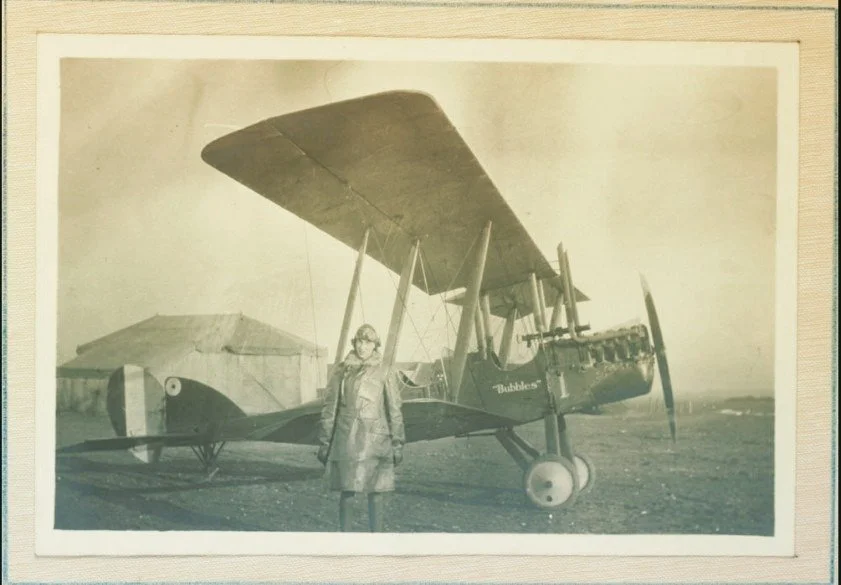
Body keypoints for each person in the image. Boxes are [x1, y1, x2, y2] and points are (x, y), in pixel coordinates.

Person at [317, 324, 405, 532]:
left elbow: (395, 410)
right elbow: (330, 409)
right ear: (354, 343)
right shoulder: (341, 371)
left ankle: (376, 543)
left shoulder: (385, 371)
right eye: (359, 341)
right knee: (347, 493)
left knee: (376, 494)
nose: (362, 346)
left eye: (368, 342)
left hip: (377, 440)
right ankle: (346, 542)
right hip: (347, 439)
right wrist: (324, 442)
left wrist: (398, 443)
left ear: (375, 345)